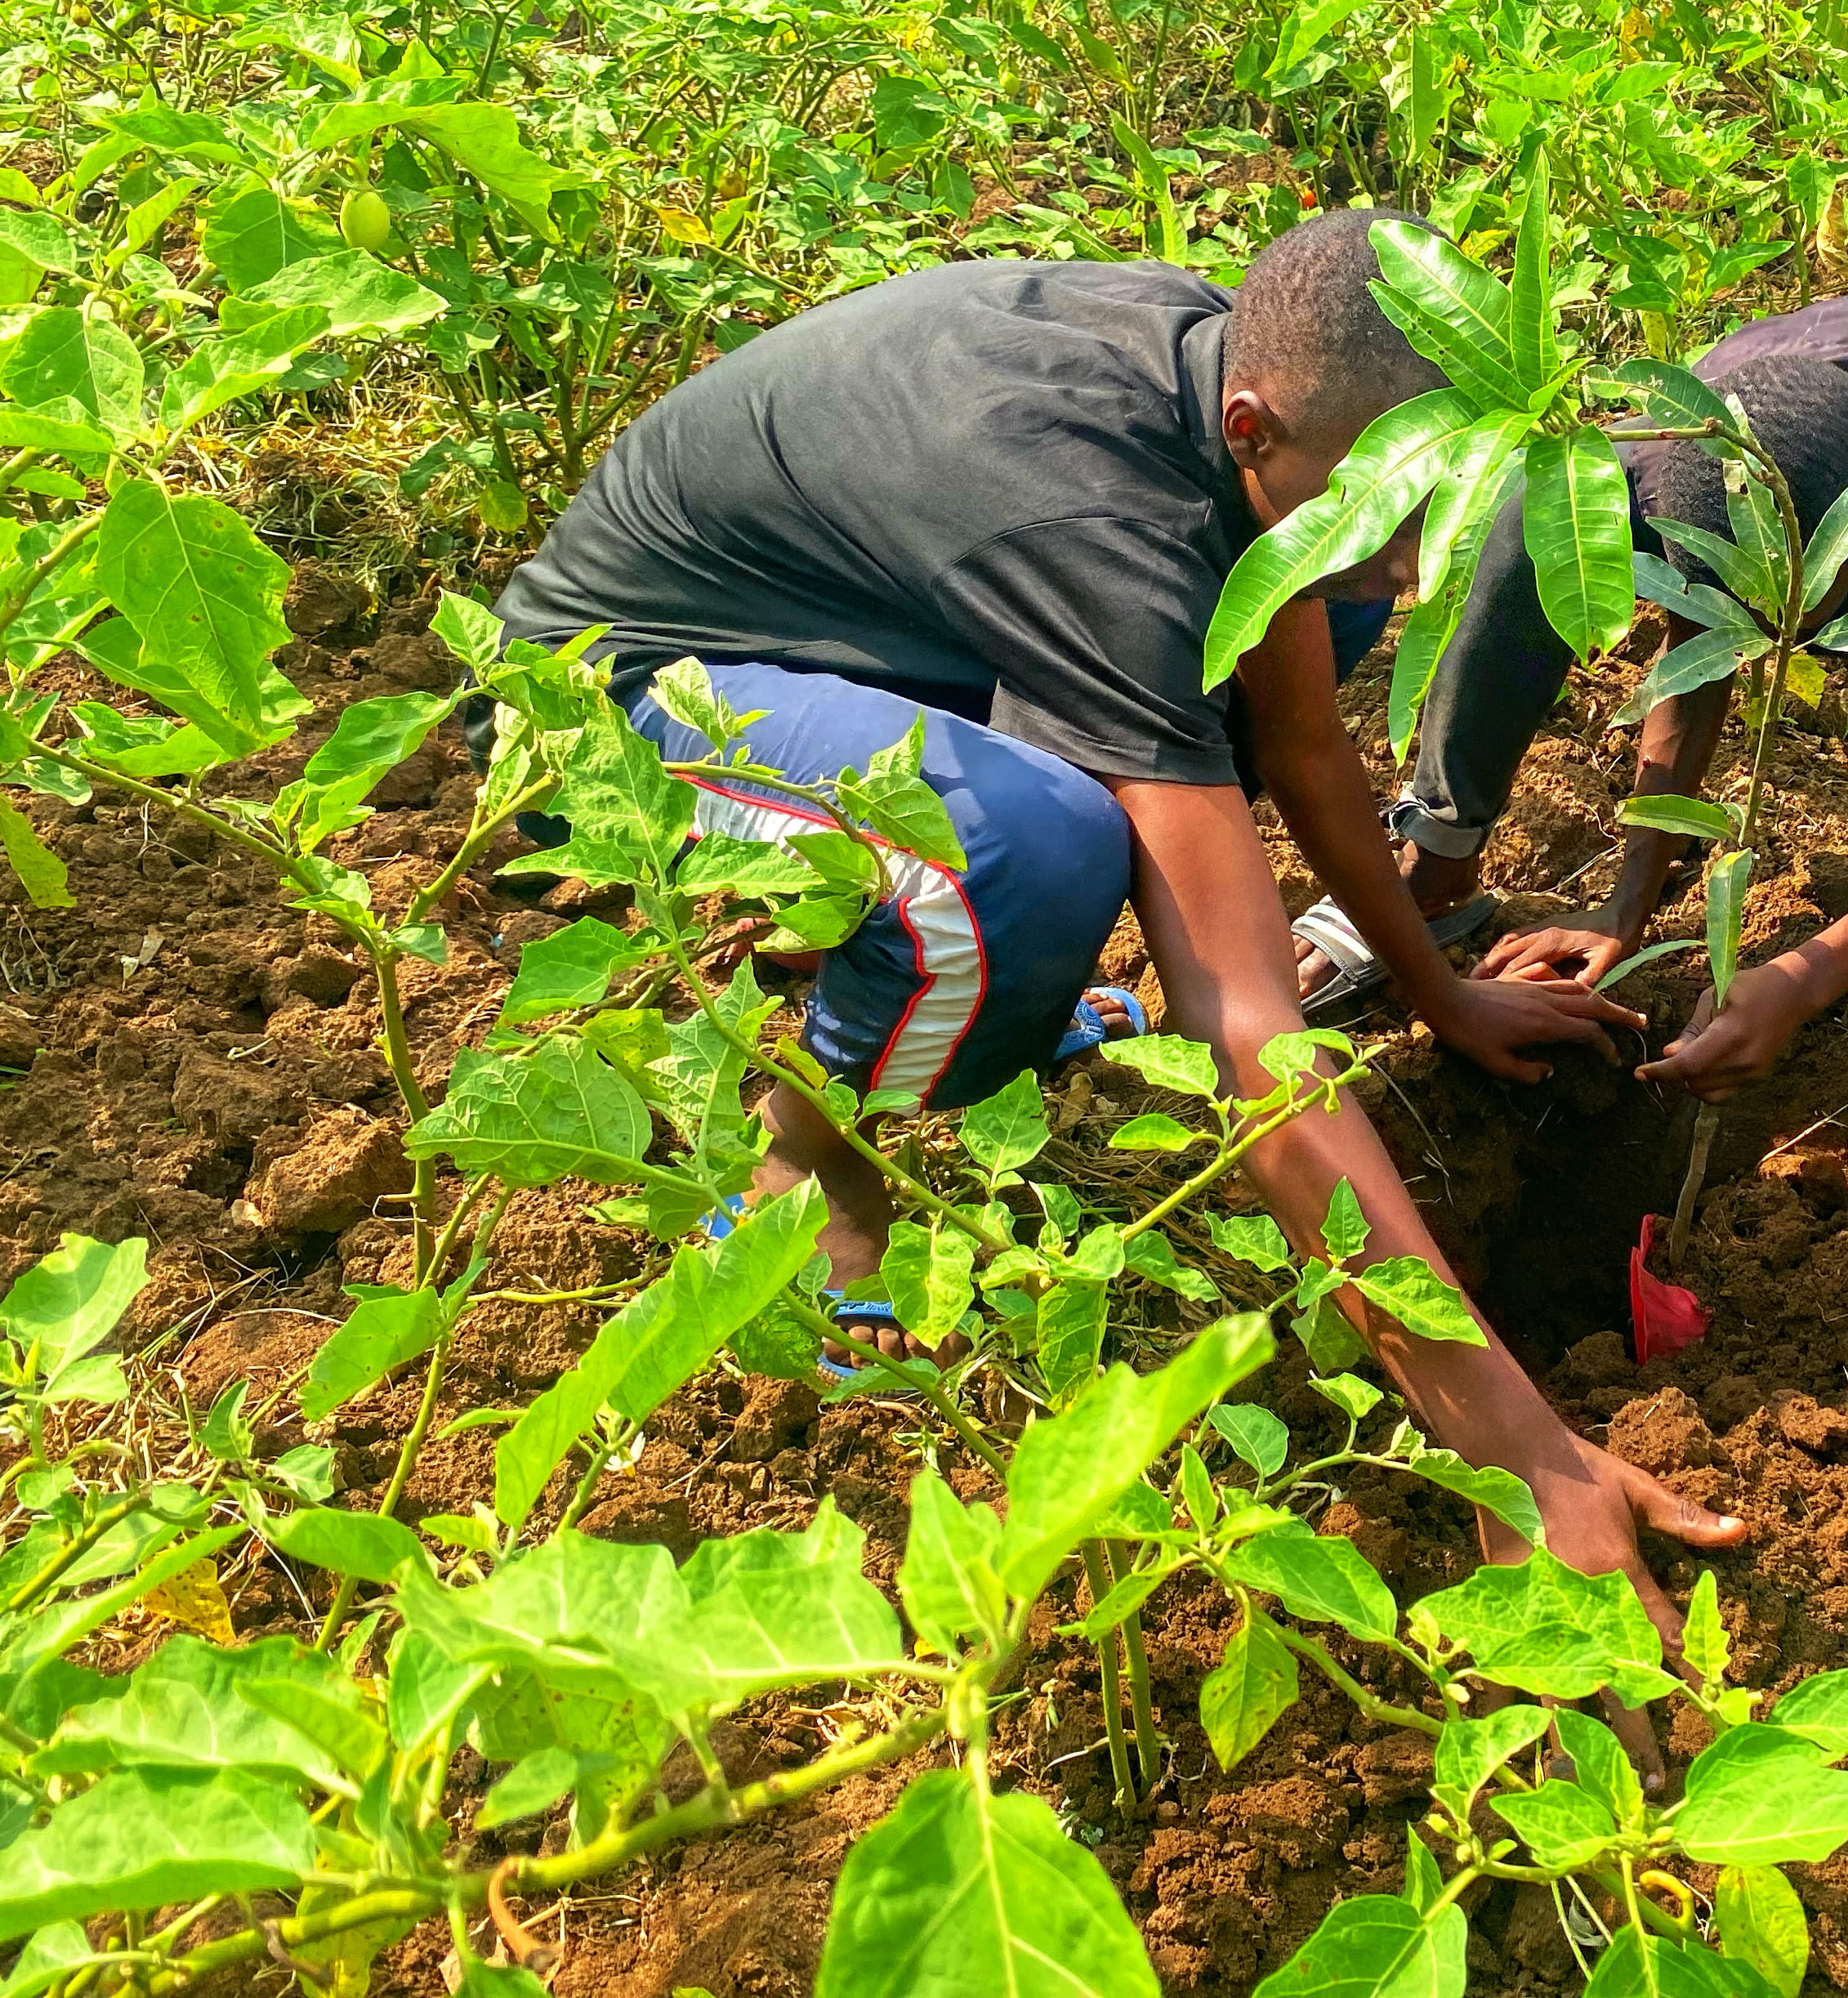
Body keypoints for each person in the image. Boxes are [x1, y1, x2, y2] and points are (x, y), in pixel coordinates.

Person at [491, 217, 1736, 1629]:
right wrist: (1519, 1457)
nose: (1412, 562)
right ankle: (810, 1174)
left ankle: (971, 983)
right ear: (1251, 426)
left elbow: (1303, 742)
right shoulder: (1096, 516)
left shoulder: (1237, 396)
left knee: (1314, 615)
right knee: (1024, 856)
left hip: (844, 626)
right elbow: (1245, 1024)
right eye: (1390, 514)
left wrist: (1437, 992)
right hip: (603, 708)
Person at [1295, 297, 1848, 1101]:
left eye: (1781, 612)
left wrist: (1802, 980)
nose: (1754, 641)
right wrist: (1626, 907)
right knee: (1527, 528)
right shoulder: (1675, 458)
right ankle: (1436, 861)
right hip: (1780, 415)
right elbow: (1699, 663)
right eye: (1731, 607)